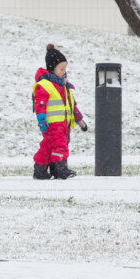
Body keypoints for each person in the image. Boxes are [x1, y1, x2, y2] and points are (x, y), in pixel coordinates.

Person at [32, 44, 88, 180]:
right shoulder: (45, 85)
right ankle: (61, 169)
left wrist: (80, 122)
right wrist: (41, 118)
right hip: (52, 123)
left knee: (48, 147)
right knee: (60, 146)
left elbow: (72, 106)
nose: (64, 71)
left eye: (65, 69)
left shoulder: (64, 86)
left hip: (64, 124)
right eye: (61, 68)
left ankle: (40, 170)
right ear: (52, 68)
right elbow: (40, 103)